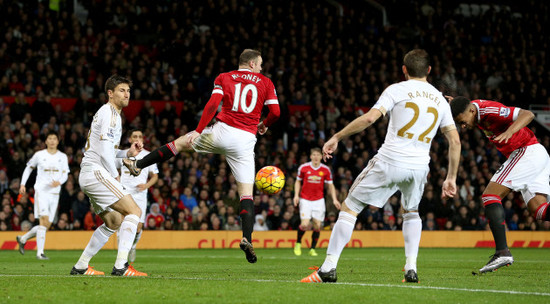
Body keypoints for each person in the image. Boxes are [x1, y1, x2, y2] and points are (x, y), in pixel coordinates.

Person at [301, 49, 461, 283]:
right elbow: (454, 140)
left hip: (390, 160)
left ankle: (328, 268)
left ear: (404, 70)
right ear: (428, 70)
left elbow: (368, 118)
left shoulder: (396, 89)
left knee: (350, 207)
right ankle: (411, 269)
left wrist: (337, 136)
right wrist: (451, 177)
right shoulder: (440, 99)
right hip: (419, 168)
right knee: (411, 212)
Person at [123, 49, 280, 263]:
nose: (261, 68)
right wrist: (264, 124)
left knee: (179, 144)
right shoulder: (266, 82)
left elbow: (213, 104)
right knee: (246, 194)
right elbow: (276, 113)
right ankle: (246, 237)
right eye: (260, 64)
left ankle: (139, 164)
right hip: (245, 142)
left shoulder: (224, 77)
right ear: (252, 64)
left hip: (222, 132)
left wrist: (198, 130)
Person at [450, 96, 550, 273]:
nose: (463, 126)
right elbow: (462, 104)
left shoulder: (490, 111)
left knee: (490, 195)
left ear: (471, 111)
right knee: (540, 211)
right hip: (535, 153)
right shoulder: (472, 110)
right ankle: (502, 252)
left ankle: (503, 252)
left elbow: (528, 114)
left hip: (526, 151)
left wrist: (510, 132)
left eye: (463, 122)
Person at [70, 75, 146, 276]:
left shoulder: (111, 114)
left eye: (128, 90)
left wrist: (127, 153)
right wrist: (115, 176)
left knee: (114, 221)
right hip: (97, 172)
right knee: (134, 212)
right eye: (122, 90)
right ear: (110, 93)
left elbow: (108, 151)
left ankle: (81, 266)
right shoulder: (110, 113)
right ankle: (121, 266)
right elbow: (104, 152)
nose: (126, 94)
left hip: (89, 174)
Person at [16, 131, 69, 260]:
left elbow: (65, 173)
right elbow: (28, 168)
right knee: (43, 221)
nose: (51, 141)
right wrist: (23, 184)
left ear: (58, 141)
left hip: (55, 193)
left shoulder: (62, 157)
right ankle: (40, 253)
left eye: (54, 138)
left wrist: (60, 182)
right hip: (41, 192)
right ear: (45, 141)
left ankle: (23, 239)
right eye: (49, 138)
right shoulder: (39, 155)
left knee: (46, 225)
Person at [116, 129, 159, 263]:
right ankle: (121, 256)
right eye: (134, 136)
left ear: (143, 139)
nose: (137, 138)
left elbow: (155, 176)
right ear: (130, 139)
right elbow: (113, 168)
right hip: (124, 192)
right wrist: (117, 181)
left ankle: (132, 246)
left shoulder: (148, 155)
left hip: (140, 194)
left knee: (138, 227)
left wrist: (146, 186)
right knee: (122, 222)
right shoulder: (123, 154)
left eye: (140, 136)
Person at [293, 147, 340, 257]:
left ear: (321, 156)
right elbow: (297, 182)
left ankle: (312, 249)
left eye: (318, 155)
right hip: (305, 199)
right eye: (313, 155)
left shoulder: (325, 170)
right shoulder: (303, 168)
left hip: (319, 200)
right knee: (304, 224)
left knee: (317, 226)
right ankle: (298, 243)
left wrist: (334, 199)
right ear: (310, 156)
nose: (315, 157)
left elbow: (330, 185)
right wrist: (296, 195)